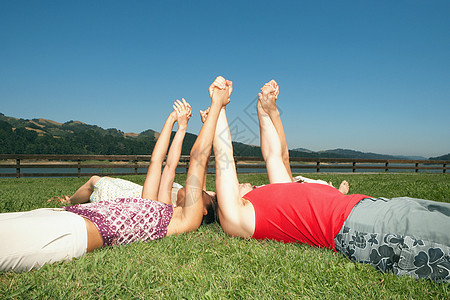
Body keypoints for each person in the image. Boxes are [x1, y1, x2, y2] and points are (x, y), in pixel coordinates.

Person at [210, 79, 450, 282]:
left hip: (370, 205)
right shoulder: (238, 217)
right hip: (358, 227)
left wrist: (264, 109)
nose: (245, 183)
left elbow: (276, 155)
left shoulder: (275, 191)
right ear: (223, 198)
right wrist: (218, 107)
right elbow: (224, 159)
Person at [0, 84, 230, 272]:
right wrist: (175, 123)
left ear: (202, 210)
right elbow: (162, 163)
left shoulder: (183, 222)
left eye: (206, 195)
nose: (200, 189)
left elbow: (198, 157)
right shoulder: (159, 204)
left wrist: (217, 104)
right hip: (65, 214)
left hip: (73, 230)